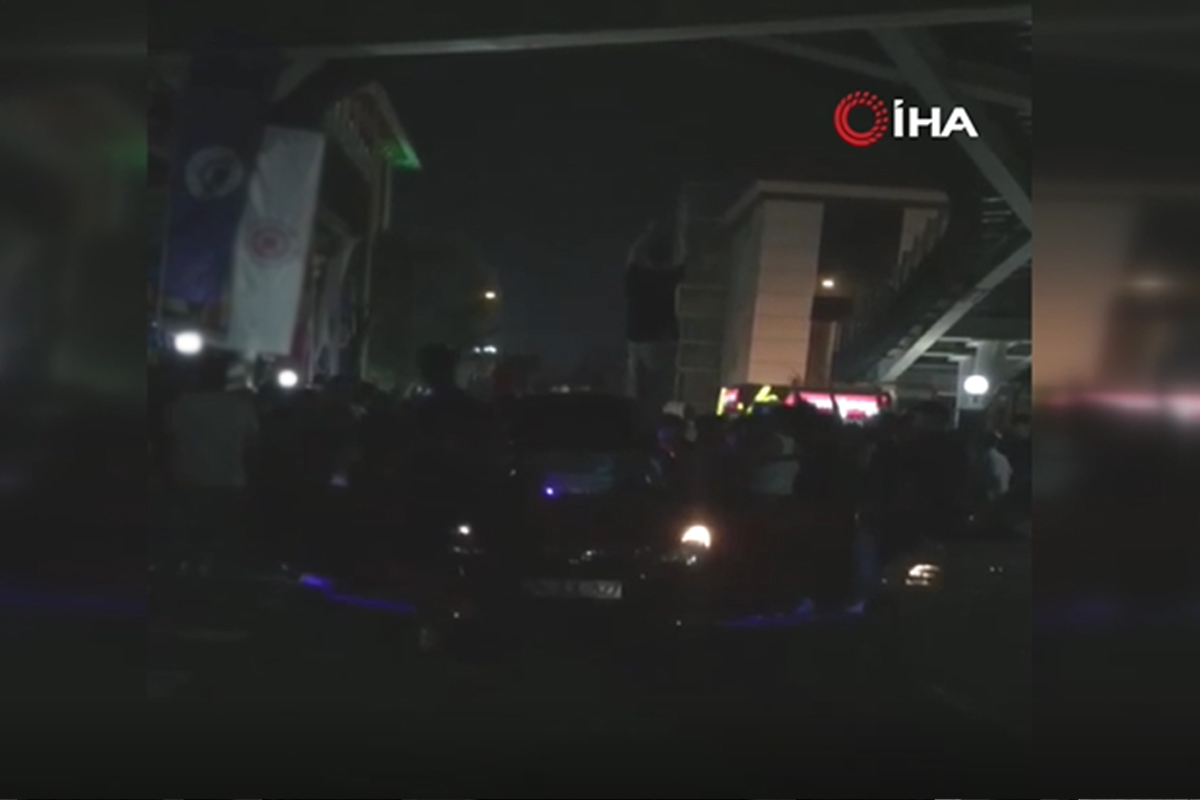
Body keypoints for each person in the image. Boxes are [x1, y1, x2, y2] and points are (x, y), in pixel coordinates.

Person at [161, 354, 260, 570]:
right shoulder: (241, 407)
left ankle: (183, 575)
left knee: (185, 541)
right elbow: (252, 447)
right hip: (229, 482)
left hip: (187, 480)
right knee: (221, 544)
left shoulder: (181, 404)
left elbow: (166, 442)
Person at [624, 221, 686, 430]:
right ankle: (660, 421)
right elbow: (684, 261)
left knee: (638, 390)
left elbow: (632, 257)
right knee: (662, 387)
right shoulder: (667, 278)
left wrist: (646, 235)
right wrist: (680, 235)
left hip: (638, 338)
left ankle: (639, 423)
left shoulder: (636, 277)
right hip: (662, 339)